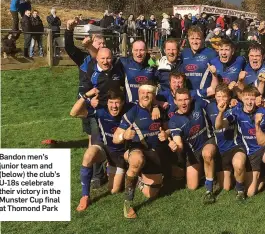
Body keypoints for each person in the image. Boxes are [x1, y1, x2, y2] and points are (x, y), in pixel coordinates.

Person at [113, 83, 168, 219]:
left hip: (154, 152)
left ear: (153, 96)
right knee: (137, 160)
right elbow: (115, 138)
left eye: (148, 93)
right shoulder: (132, 112)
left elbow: (168, 128)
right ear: (138, 94)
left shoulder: (159, 111)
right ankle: (128, 202)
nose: (145, 95)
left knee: (151, 194)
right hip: (137, 149)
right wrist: (124, 136)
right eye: (142, 93)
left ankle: (138, 179)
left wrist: (166, 134)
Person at [70, 89, 128, 211]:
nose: (114, 106)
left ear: (122, 102)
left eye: (117, 102)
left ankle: (115, 169)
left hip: (120, 154)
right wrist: (86, 96)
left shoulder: (129, 112)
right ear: (107, 102)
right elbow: (73, 113)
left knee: (114, 190)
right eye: (111, 102)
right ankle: (85, 196)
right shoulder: (100, 111)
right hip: (105, 149)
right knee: (89, 154)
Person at [65, 18, 106, 187]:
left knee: (96, 138)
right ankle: (98, 173)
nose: (102, 43)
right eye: (99, 41)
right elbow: (68, 48)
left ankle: (98, 173)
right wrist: (68, 29)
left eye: (103, 41)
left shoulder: (105, 58)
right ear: (91, 41)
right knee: (92, 137)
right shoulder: (83, 59)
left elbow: (98, 58)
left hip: (101, 104)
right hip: (85, 104)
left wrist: (91, 46)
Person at [168, 88, 217, 204]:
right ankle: (208, 173)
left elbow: (214, 103)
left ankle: (209, 191)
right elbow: (179, 144)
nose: (183, 103)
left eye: (186, 99)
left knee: (207, 154)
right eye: (180, 100)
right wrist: (176, 147)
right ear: (175, 101)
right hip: (193, 152)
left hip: (208, 140)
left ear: (190, 99)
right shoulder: (173, 121)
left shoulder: (198, 103)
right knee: (192, 186)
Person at [218, 86, 265, 197]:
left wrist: (257, 124)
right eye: (247, 98)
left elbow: (261, 142)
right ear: (242, 98)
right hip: (249, 153)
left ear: (256, 99)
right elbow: (220, 125)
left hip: (262, 148)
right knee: (250, 193)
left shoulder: (262, 112)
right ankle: (262, 176)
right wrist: (220, 113)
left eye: (252, 99)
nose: (249, 102)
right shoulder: (237, 112)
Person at [208, 84, 247, 200]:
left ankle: (240, 191)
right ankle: (234, 175)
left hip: (235, 147)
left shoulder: (235, 108)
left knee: (238, 165)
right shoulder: (209, 106)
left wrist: (221, 112)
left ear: (229, 97)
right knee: (226, 187)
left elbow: (220, 125)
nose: (221, 99)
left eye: (224, 97)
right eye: (218, 96)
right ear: (214, 96)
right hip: (221, 150)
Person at [180, 26, 217, 90]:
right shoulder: (184, 53)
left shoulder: (211, 53)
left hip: (204, 96)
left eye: (198, 38)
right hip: (186, 95)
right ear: (188, 39)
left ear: (202, 39)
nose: (195, 42)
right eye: (192, 38)